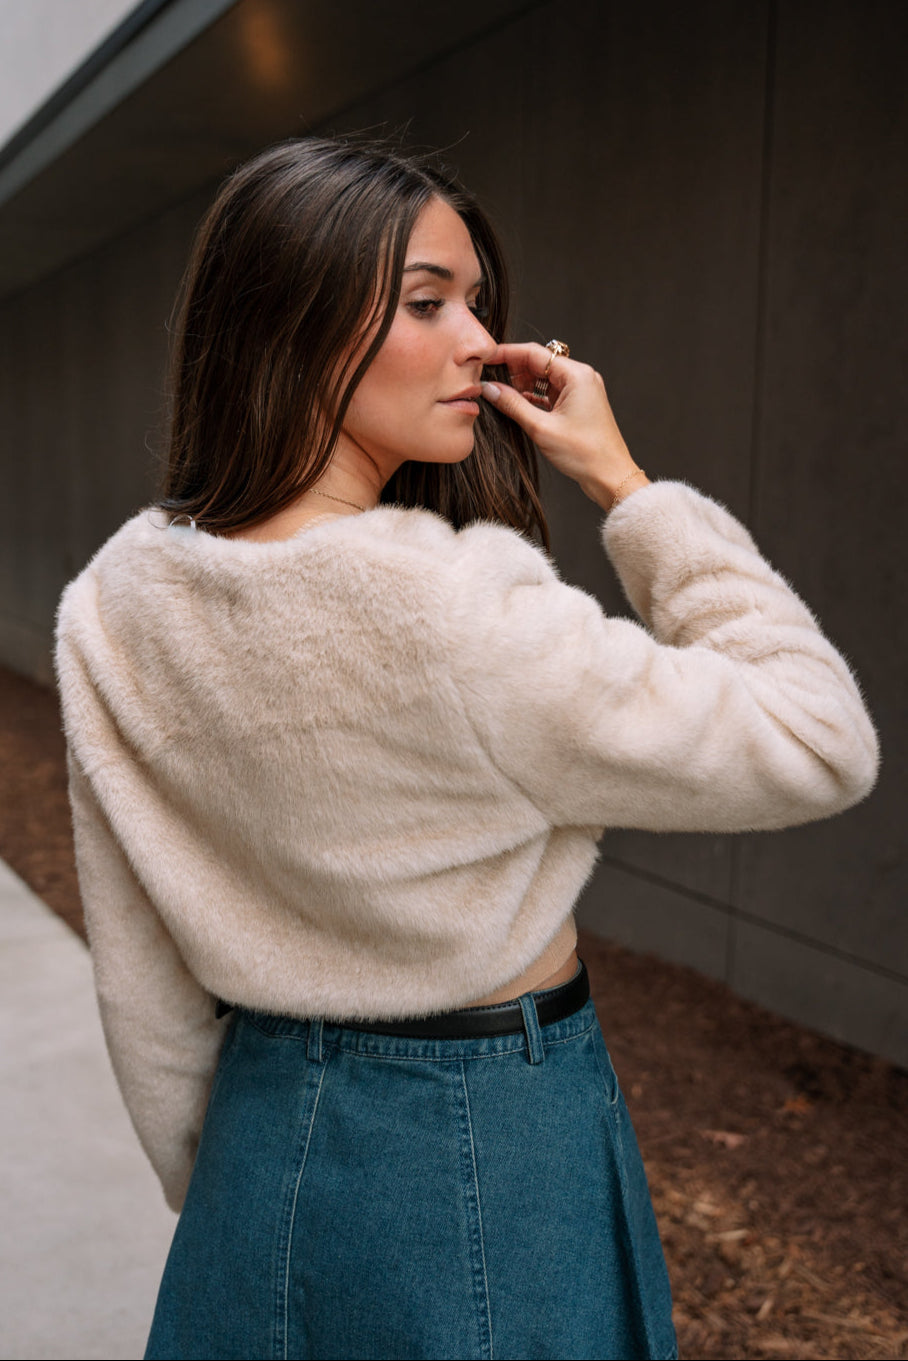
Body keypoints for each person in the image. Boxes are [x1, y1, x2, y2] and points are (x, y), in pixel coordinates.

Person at [55, 137, 878, 1361]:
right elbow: (819, 739)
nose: (479, 343)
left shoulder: (119, 598)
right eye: (428, 302)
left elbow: (142, 974)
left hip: (258, 1137)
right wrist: (622, 478)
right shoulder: (457, 611)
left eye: (476, 302)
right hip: (489, 1131)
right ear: (293, 319)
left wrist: (229, 1188)